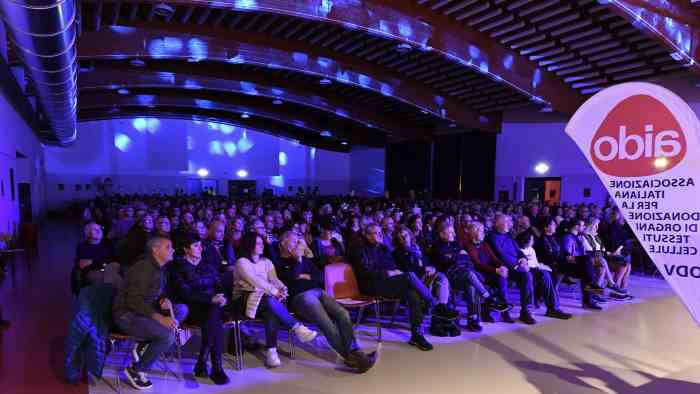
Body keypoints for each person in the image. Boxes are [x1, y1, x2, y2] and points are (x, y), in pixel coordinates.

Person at [276, 231, 376, 373]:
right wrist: (298, 261)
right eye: (294, 242)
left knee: (343, 313)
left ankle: (354, 352)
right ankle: (354, 357)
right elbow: (290, 279)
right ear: (283, 244)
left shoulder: (305, 260)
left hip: (318, 291)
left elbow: (320, 277)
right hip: (301, 297)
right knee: (326, 322)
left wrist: (303, 274)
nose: (297, 245)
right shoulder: (278, 262)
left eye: (298, 242)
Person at [351, 224, 449, 351]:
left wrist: (391, 271)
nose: (380, 235)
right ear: (367, 235)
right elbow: (363, 272)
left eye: (380, 232)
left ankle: (416, 334)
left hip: (387, 283)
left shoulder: (383, 248)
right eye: (376, 233)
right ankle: (434, 304)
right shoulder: (360, 250)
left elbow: (392, 265)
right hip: (370, 286)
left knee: (411, 293)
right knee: (409, 276)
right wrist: (387, 272)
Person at [112, 237, 188, 390]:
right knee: (168, 336)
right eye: (168, 247)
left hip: (144, 310)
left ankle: (145, 345)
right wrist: (160, 318)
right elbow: (133, 301)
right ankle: (136, 369)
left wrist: (163, 299)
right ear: (155, 249)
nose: (172, 250)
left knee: (182, 309)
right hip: (127, 314)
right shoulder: (144, 268)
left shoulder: (159, 269)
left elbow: (154, 293)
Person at [233, 233, 317, 368]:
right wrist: (274, 292)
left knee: (270, 309)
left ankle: (272, 352)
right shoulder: (242, 262)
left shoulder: (266, 261)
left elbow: (274, 279)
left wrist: (282, 288)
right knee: (269, 301)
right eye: (258, 243)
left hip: (265, 299)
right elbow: (256, 282)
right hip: (244, 300)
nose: (262, 246)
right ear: (250, 245)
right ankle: (297, 328)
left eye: (261, 243)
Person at [169, 236, 231, 385]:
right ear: (186, 249)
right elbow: (185, 294)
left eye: (201, 246)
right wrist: (211, 300)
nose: (200, 248)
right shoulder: (178, 267)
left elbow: (220, 286)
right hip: (192, 309)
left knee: (213, 314)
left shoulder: (208, 265)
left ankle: (206, 362)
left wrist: (223, 298)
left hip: (213, 308)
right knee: (214, 317)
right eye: (196, 246)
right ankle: (213, 366)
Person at [431, 222, 508, 331]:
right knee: (470, 274)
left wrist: (456, 257)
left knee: (471, 285)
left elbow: (466, 260)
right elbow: (444, 262)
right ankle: (488, 298)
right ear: (442, 234)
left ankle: (473, 319)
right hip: (448, 277)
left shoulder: (456, 244)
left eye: (453, 232)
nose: (454, 234)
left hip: (461, 274)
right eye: (450, 232)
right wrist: (457, 257)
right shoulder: (437, 247)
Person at [392, 226, 459, 335]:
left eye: (406, 235)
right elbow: (407, 271)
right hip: (413, 282)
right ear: (396, 239)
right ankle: (439, 320)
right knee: (439, 282)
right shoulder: (396, 253)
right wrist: (424, 269)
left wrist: (430, 267)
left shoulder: (416, 248)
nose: (404, 238)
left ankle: (440, 314)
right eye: (401, 236)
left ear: (410, 235)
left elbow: (426, 261)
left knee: (441, 278)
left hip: (425, 277)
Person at [464, 221, 515, 323]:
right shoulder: (468, 246)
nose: (483, 234)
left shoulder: (484, 245)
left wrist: (502, 267)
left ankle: (504, 311)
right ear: (474, 232)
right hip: (477, 275)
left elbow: (494, 259)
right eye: (481, 231)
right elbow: (478, 264)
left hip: (489, 272)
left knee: (502, 279)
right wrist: (496, 270)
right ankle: (495, 311)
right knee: (500, 279)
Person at [515, 232, 572, 320]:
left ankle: (552, 308)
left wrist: (543, 268)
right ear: (526, 240)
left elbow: (535, 263)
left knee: (546, 274)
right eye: (532, 239)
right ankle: (527, 310)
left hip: (534, 269)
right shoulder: (517, 250)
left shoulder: (531, 249)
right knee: (534, 277)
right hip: (522, 271)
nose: (533, 241)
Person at [559, 220, 605, 310]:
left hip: (580, 264)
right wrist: (584, 259)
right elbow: (568, 257)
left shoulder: (578, 237)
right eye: (582, 225)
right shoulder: (568, 238)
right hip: (568, 265)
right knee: (588, 270)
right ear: (576, 226)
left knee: (597, 265)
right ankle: (592, 297)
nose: (584, 227)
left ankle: (590, 299)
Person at [74, 222, 118, 289]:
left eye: (99, 229)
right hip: (94, 272)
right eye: (95, 230)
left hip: (107, 269)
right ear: (88, 234)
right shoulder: (83, 246)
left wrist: (94, 261)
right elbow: (83, 264)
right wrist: (99, 262)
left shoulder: (107, 244)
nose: (99, 231)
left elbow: (112, 260)